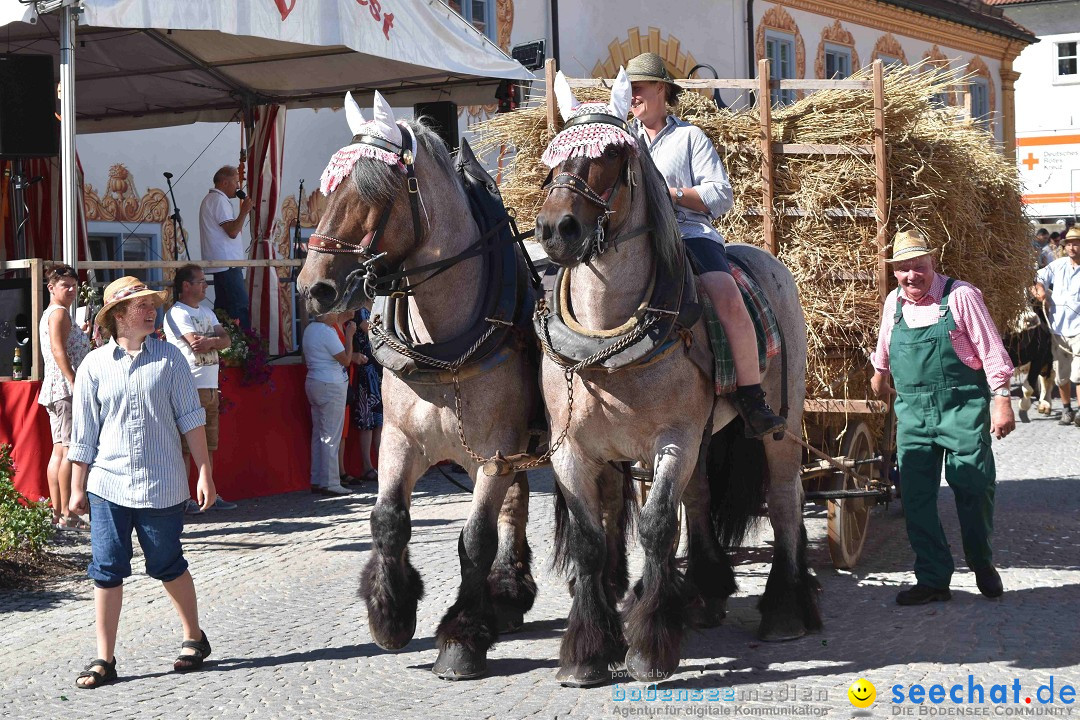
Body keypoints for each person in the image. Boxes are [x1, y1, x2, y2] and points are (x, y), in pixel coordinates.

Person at [625, 51, 785, 439]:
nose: (632, 97)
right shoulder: (622, 140)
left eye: (638, 88)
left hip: (688, 234)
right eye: (627, 91)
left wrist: (673, 193)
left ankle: (751, 395)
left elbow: (720, 195)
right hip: (632, 239)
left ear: (661, 89)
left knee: (727, 294)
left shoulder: (689, 137)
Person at [68, 276, 216, 688]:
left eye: (153, 303)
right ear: (117, 315)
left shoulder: (170, 359)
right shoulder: (94, 366)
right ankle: (104, 658)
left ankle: (193, 638)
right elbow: (84, 433)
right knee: (106, 569)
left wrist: (204, 472)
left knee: (167, 564)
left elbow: (192, 420)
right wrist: (77, 485)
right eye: (140, 305)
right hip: (108, 486)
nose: (151, 310)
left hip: (162, 483)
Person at [870, 230, 1014, 605]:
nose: (911, 276)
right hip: (913, 413)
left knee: (974, 487)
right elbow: (886, 343)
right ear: (895, 272)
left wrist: (1001, 401)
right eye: (903, 269)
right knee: (916, 497)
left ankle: (981, 563)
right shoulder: (894, 302)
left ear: (932, 263)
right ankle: (933, 578)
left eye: (918, 267)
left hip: (961, 406)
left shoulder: (961, 296)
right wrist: (879, 371)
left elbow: (993, 352)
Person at [164, 264, 239, 513]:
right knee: (186, 447)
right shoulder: (177, 313)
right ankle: (184, 498)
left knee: (208, 445)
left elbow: (226, 340)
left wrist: (212, 342)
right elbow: (194, 344)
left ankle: (209, 494)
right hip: (189, 384)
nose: (206, 285)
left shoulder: (207, 311)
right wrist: (212, 342)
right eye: (201, 281)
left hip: (209, 385)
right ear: (186, 286)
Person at [38, 264, 92, 531]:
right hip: (65, 390)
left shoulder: (54, 313)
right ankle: (68, 514)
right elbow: (59, 351)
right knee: (68, 452)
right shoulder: (58, 314)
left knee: (59, 451)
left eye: (74, 285)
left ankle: (59, 514)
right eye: (65, 286)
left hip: (55, 389)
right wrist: (73, 381)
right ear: (51, 287)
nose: (71, 290)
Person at [303, 311, 355, 496]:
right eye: (334, 311)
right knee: (331, 435)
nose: (337, 314)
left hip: (315, 381)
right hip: (330, 384)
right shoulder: (326, 331)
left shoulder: (310, 329)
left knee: (319, 435)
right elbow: (346, 359)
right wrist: (349, 336)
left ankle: (318, 479)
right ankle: (331, 481)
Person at [1034, 227, 1080, 425]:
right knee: (1061, 374)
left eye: (1076, 243)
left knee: (1079, 374)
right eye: (1069, 244)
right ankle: (1067, 409)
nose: (1072, 247)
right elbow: (1039, 278)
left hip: (1079, 329)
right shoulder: (1057, 265)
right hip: (1058, 329)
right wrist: (1041, 291)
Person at [199, 165, 253, 330]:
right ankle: (245, 348)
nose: (238, 187)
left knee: (224, 310)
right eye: (236, 182)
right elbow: (232, 231)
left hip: (223, 264)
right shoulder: (219, 200)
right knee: (239, 307)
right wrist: (244, 211)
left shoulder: (213, 199)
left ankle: (226, 347)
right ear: (224, 182)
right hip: (227, 264)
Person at [347, 307, 383, 483]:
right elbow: (371, 329)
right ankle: (367, 466)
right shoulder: (361, 311)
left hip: (379, 370)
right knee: (367, 421)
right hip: (366, 370)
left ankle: (383, 464)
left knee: (379, 422)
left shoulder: (378, 305)